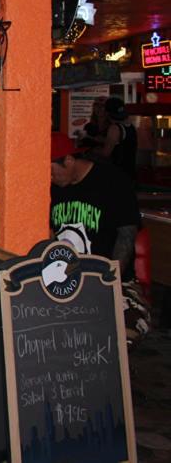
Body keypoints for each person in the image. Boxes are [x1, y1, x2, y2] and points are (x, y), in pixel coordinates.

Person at [50, 132, 150, 345]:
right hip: (63, 281)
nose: (49, 178)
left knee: (125, 331)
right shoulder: (52, 189)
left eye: (51, 171)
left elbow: (126, 235)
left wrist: (110, 280)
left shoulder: (113, 181)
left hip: (111, 279)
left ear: (69, 160)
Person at [97, 96, 137, 179]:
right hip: (130, 173)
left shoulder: (115, 128)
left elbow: (105, 153)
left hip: (118, 174)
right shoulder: (131, 127)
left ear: (107, 113)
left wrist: (92, 151)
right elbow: (123, 143)